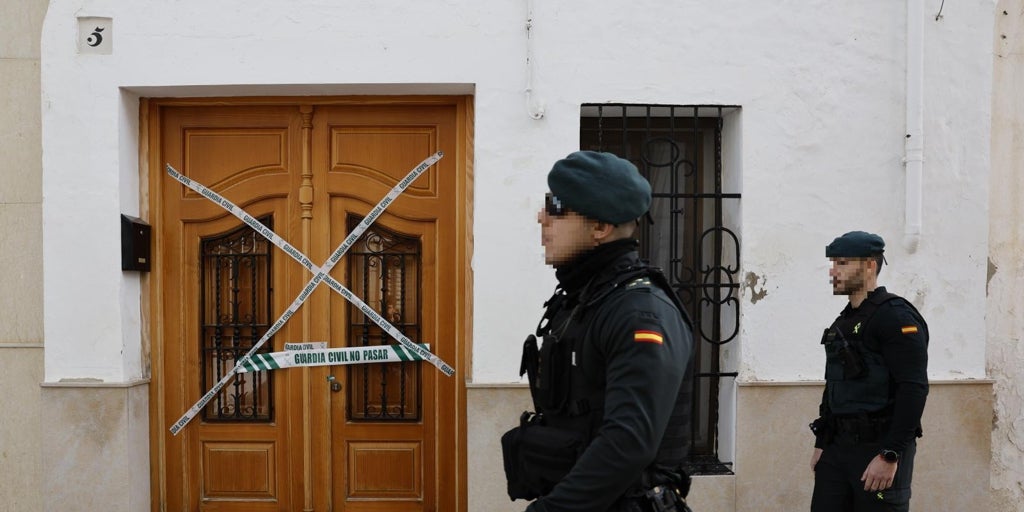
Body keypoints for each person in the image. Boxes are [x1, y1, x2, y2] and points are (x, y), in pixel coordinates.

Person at [500, 150, 695, 512]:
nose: (542, 217)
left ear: (600, 228)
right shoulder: (586, 300)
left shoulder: (638, 312)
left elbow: (627, 443)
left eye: (557, 207)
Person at [809, 231, 929, 512]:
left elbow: (913, 388)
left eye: (842, 263)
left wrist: (890, 454)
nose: (833, 271)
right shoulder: (845, 320)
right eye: (833, 263)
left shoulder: (895, 316)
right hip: (838, 449)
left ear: (870, 266)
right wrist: (822, 443)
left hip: (878, 448)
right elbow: (835, 386)